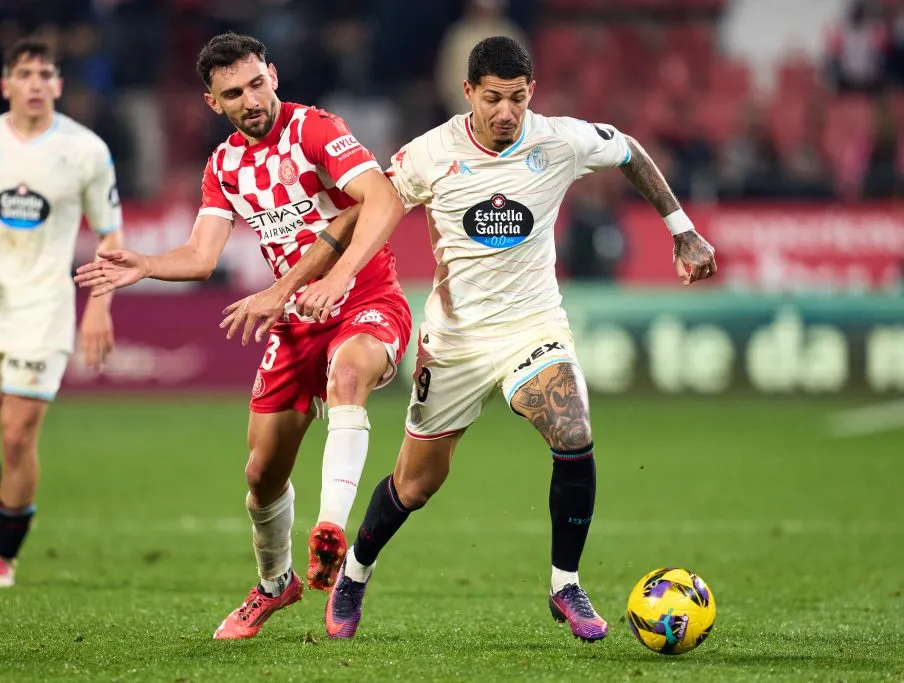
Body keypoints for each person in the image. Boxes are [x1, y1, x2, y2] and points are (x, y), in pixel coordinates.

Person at [297, 36, 718, 640]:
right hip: (456, 340)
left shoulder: (558, 140)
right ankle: (355, 577)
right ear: (468, 92)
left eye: (517, 99)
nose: (505, 112)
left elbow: (628, 151)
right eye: (493, 98)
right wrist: (328, 275)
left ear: (532, 93)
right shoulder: (428, 154)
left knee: (572, 429)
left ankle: (565, 585)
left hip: (533, 325)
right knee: (416, 483)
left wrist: (682, 229)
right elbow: (374, 208)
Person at [72, 32, 411, 640]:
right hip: (295, 320)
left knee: (348, 376)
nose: (251, 99)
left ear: (273, 74)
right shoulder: (224, 164)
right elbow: (202, 256)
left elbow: (382, 199)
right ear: (213, 103)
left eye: (257, 83)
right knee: (260, 476)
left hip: (365, 297)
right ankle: (275, 585)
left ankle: (329, 533)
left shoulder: (315, 129)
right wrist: (147, 265)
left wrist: (337, 276)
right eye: (234, 92)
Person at [0, 37, 123, 588]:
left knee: (15, 437)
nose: (35, 84)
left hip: (46, 311)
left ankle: (3, 556)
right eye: (25, 74)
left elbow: (111, 236)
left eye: (45, 74)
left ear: (59, 85)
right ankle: (11, 510)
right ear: (5, 84)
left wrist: (99, 307)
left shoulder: (86, 151)